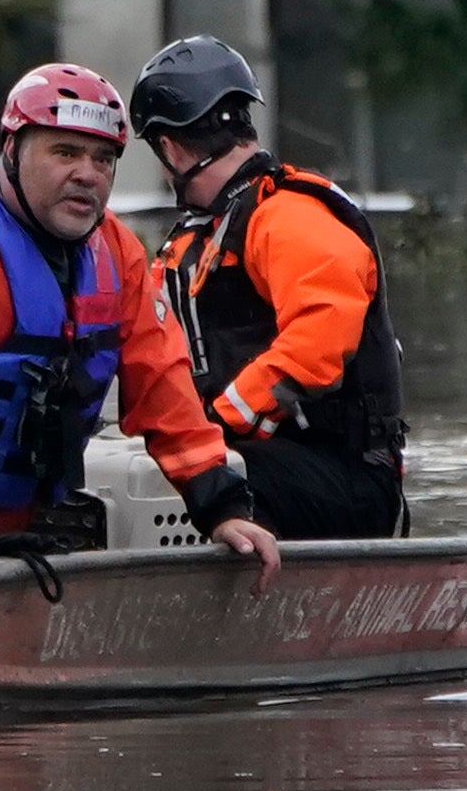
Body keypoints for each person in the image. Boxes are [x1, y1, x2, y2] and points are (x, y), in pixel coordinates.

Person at [0, 62, 282, 576]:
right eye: (65, 152)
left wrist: (223, 509)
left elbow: (164, 383)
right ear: (13, 151)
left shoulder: (118, 253)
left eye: (104, 159)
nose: (88, 173)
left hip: (16, 529)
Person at [130, 33, 409, 540]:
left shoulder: (287, 215)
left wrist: (212, 426)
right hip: (260, 457)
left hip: (344, 480)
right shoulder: (198, 239)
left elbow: (318, 342)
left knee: (180, 477)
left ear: (168, 148)